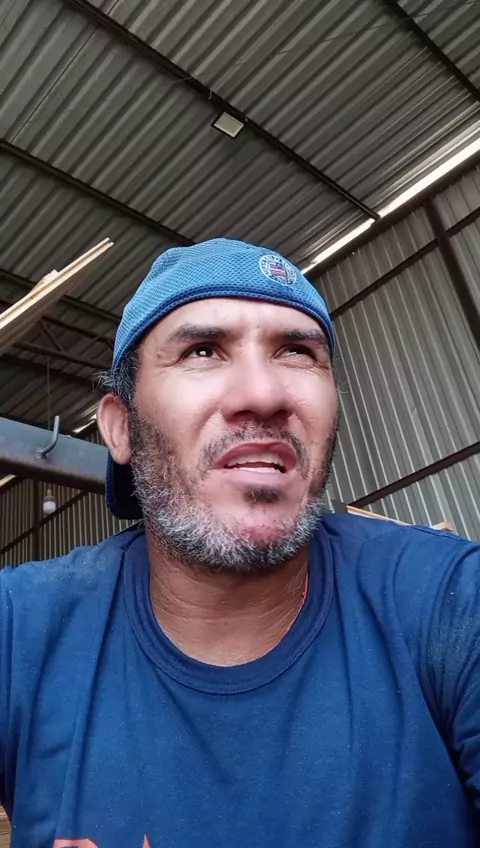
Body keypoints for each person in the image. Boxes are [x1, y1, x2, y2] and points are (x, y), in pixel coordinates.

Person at [1, 239, 479, 848]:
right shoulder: (19, 629)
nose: (264, 394)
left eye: (297, 351)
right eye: (202, 350)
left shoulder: (452, 603)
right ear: (120, 428)